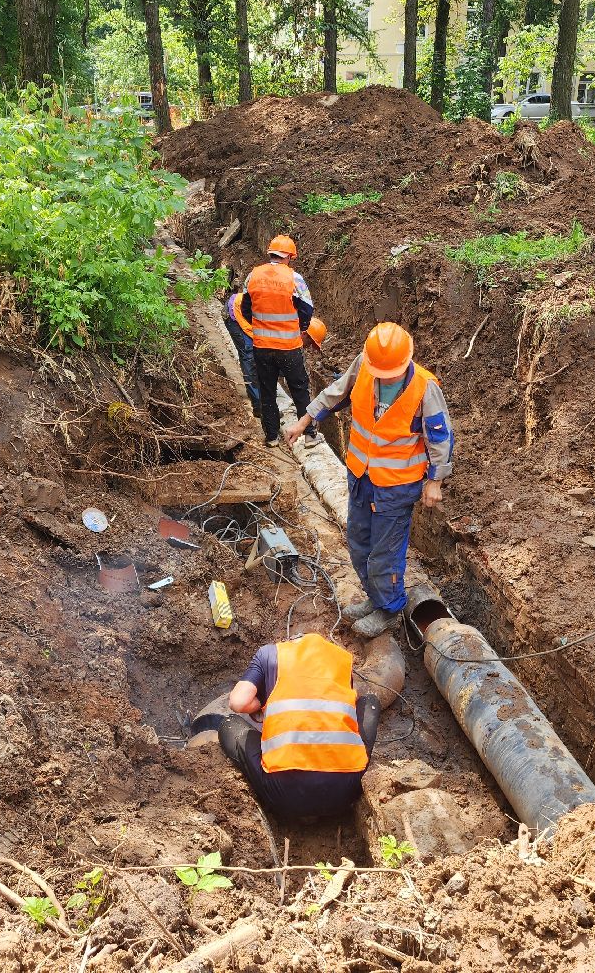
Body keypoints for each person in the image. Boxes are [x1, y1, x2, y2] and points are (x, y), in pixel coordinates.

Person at [285, 323, 454, 638]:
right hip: (360, 475)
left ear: (406, 362)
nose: (383, 377)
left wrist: (435, 481)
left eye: (390, 373)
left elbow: (440, 437)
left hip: (396, 485)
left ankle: (390, 611)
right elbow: (337, 394)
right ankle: (377, 599)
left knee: (384, 554)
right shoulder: (364, 365)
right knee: (359, 543)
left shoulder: (424, 387)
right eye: (380, 371)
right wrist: (306, 419)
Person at [218, 633, 380, 821]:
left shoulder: (268, 654)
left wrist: (263, 703)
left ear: (289, 642)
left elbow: (238, 702)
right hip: (345, 791)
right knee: (370, 701)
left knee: (229, 725)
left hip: (284, 795)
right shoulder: (341, 658)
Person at [239, 236, 321, 448]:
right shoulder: (295, 278)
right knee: (300, 389)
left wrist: (260, 326)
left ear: (271, 254)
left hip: (262, 346)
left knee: (267, 391)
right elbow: (307, 310)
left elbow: (246, 308)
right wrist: (298, 328)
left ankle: (272, 436)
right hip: (288, 347)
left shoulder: (253, 275)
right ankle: (310, 435)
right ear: (289, 257)